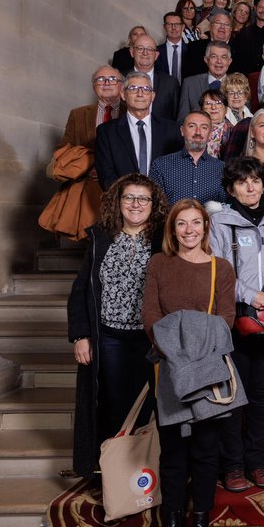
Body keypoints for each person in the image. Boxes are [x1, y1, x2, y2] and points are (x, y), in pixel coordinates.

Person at [143, 198, 237, 527]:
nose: (189, 230)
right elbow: (150, 315)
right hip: (168, 368)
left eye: (195, 223)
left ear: (206, 227)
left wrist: (196, 354)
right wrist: (176, 352)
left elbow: (225, 319)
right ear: (172, 229)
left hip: (208, 370)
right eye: (181, 224)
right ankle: (170, 525)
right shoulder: (159, 264)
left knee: (205, 450)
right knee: (173, 452)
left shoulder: (221, 268)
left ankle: (200, 523)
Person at [68, 174, 168, 478]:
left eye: (143, 199)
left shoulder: (163, 240)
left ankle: (145, 472)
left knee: (149, 405)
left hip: (149, 339)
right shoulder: (101, 237)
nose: (136, 204)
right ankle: (113, 472)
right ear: (118, 202)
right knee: (112, 402)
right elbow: (80, 289)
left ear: (154, 205)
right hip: (108, 337)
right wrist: (81, 335)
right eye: (129, 198)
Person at [209, 157, 264, 493]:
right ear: (231, 188)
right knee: (233, 397)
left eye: (255, 181)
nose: (250, 187)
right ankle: (232, 466)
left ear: (263, 185)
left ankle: (258, 462)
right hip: (234, 320)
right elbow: (217, 269)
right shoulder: (220, 223)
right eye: (242, 182)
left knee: (262, 397)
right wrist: (250, 295)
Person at [41, 66, 121, 240]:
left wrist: (105, 169)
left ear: (121, 86)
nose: (106, 83)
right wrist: (85, 165)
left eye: (112, 79)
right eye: (101, 79)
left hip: (118, 182)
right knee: (91, 236)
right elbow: (64, 148)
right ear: (94, 86)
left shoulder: (131, 111)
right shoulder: (77, 114)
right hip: (86, 185)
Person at [95, 72, 183, 191]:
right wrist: (129, 198)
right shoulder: (106, 132)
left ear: (153, 96)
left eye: (146, 89)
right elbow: (106, 175)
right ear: (123, 94)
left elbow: (178, 170)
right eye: (133, 88)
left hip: (163, 203)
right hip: (123, 203)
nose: (140, 94)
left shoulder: (172, 129)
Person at [149, 111, 226, 205]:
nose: (198, 132)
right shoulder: (161, 165)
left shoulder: (222, 169)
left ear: (210, 134)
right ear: (182, 130)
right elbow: (155, 206)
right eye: (192, 126)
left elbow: (225, 209)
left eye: (204, 127)